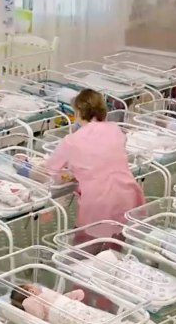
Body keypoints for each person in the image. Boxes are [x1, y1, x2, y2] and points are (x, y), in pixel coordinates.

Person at [43, 89, 146, 245]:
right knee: (115, 248)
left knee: (84, 251)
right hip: (127, 193)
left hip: (98, 200)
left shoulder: (72, 140)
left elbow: (49, 170)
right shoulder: (115, 130)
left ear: (78, 111)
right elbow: (104, 158)